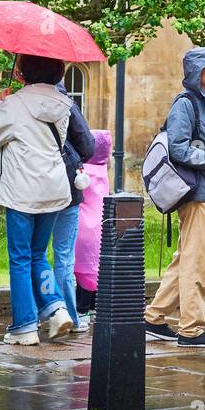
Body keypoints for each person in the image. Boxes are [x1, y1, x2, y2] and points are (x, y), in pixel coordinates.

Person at [144, 47, 205, 348]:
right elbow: (178, 149)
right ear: (196, 71)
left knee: (185, 258)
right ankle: (192, 330)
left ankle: (153, 318)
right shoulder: (186, 104)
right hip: (197, 194)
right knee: (197, 263)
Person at [0, 54, 76, 345]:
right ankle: (57, 308)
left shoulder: (14, 104)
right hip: (53, 188)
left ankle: (24, 326)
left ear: (22, 72)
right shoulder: (65, 104)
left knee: (21, 258)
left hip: (22, 190)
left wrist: (1, 104)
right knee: (38, 254)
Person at [51, 79, 95, 334]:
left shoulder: (18, 101)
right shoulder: (65, 101)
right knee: (64, 255)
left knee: (32, 256)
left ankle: (35, 314)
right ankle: (69, 316)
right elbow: (87, 146)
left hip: (30, 187)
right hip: (66, 184)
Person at [74, 129, 112, 324]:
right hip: (101, 225)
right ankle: (94, 307)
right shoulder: (103, 170)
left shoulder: (83, 171)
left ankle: (81, 309)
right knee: (95, 267)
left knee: (81, 269)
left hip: (83, 225)